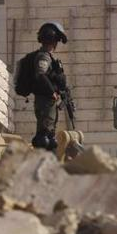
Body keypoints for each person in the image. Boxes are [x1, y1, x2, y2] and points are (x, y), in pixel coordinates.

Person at [31, 22, 69, 151]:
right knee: (44, 138)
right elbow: (40, 75)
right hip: (45, 101)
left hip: (49, 102)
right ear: (54, 41)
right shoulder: (44, 57)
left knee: (50, 137)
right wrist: (52, 91)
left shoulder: (49, 58)